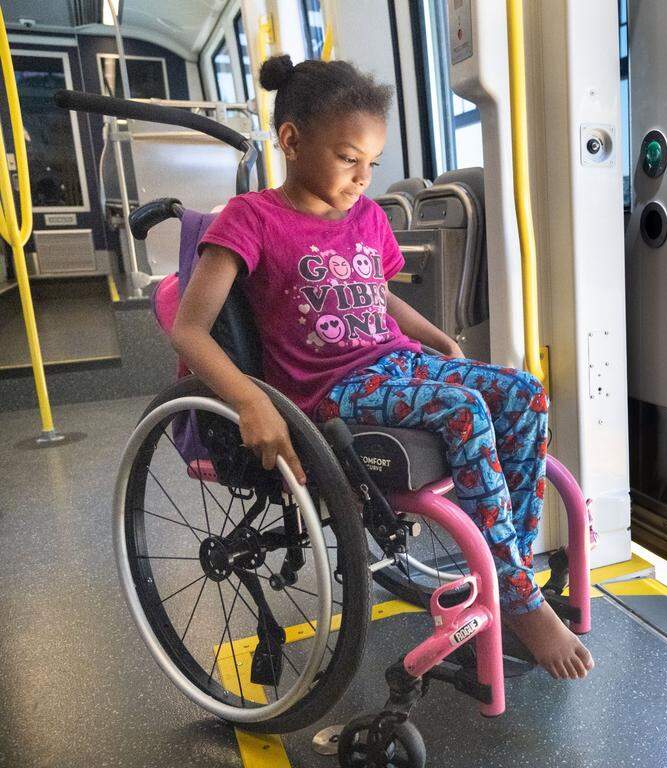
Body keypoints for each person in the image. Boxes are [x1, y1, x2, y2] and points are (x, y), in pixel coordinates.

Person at [170, 55, 593, 681]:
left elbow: (376, 293)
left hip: (393, 363)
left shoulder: (366, 217)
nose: (364, 176)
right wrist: (251, 400)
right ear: (291, 141)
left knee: (523, 393)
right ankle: (521, 600)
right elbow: (189, 329)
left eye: (372, 163)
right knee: (466, 410)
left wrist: (439, 340)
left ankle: (510, 571)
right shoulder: (251, 219)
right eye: (348, 158)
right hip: (329, 390)